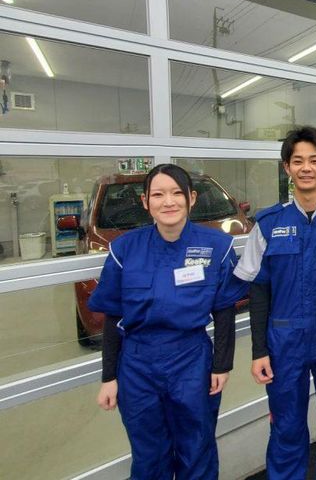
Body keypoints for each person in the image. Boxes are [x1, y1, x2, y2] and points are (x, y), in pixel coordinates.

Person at [90, 163, 247, 480]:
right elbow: (112, 315)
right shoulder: (124, 249)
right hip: (137, 366)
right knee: (149, 457)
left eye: (177, 193)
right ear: (145, 201)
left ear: (191, 198)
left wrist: (221, 365)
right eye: (158, 194)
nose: (169, 202)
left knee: (196, 450)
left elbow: (224, 311)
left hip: (191, 362)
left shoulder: (216, 247)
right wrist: (109, 377)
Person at [233, 126, 316, 479]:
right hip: (284, 341)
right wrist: (259, 350)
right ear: (287, 167)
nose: (306, 168)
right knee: (286, 424)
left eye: (314, 160)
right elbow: (259, 291)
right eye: (298, 161)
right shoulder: (268, 224)